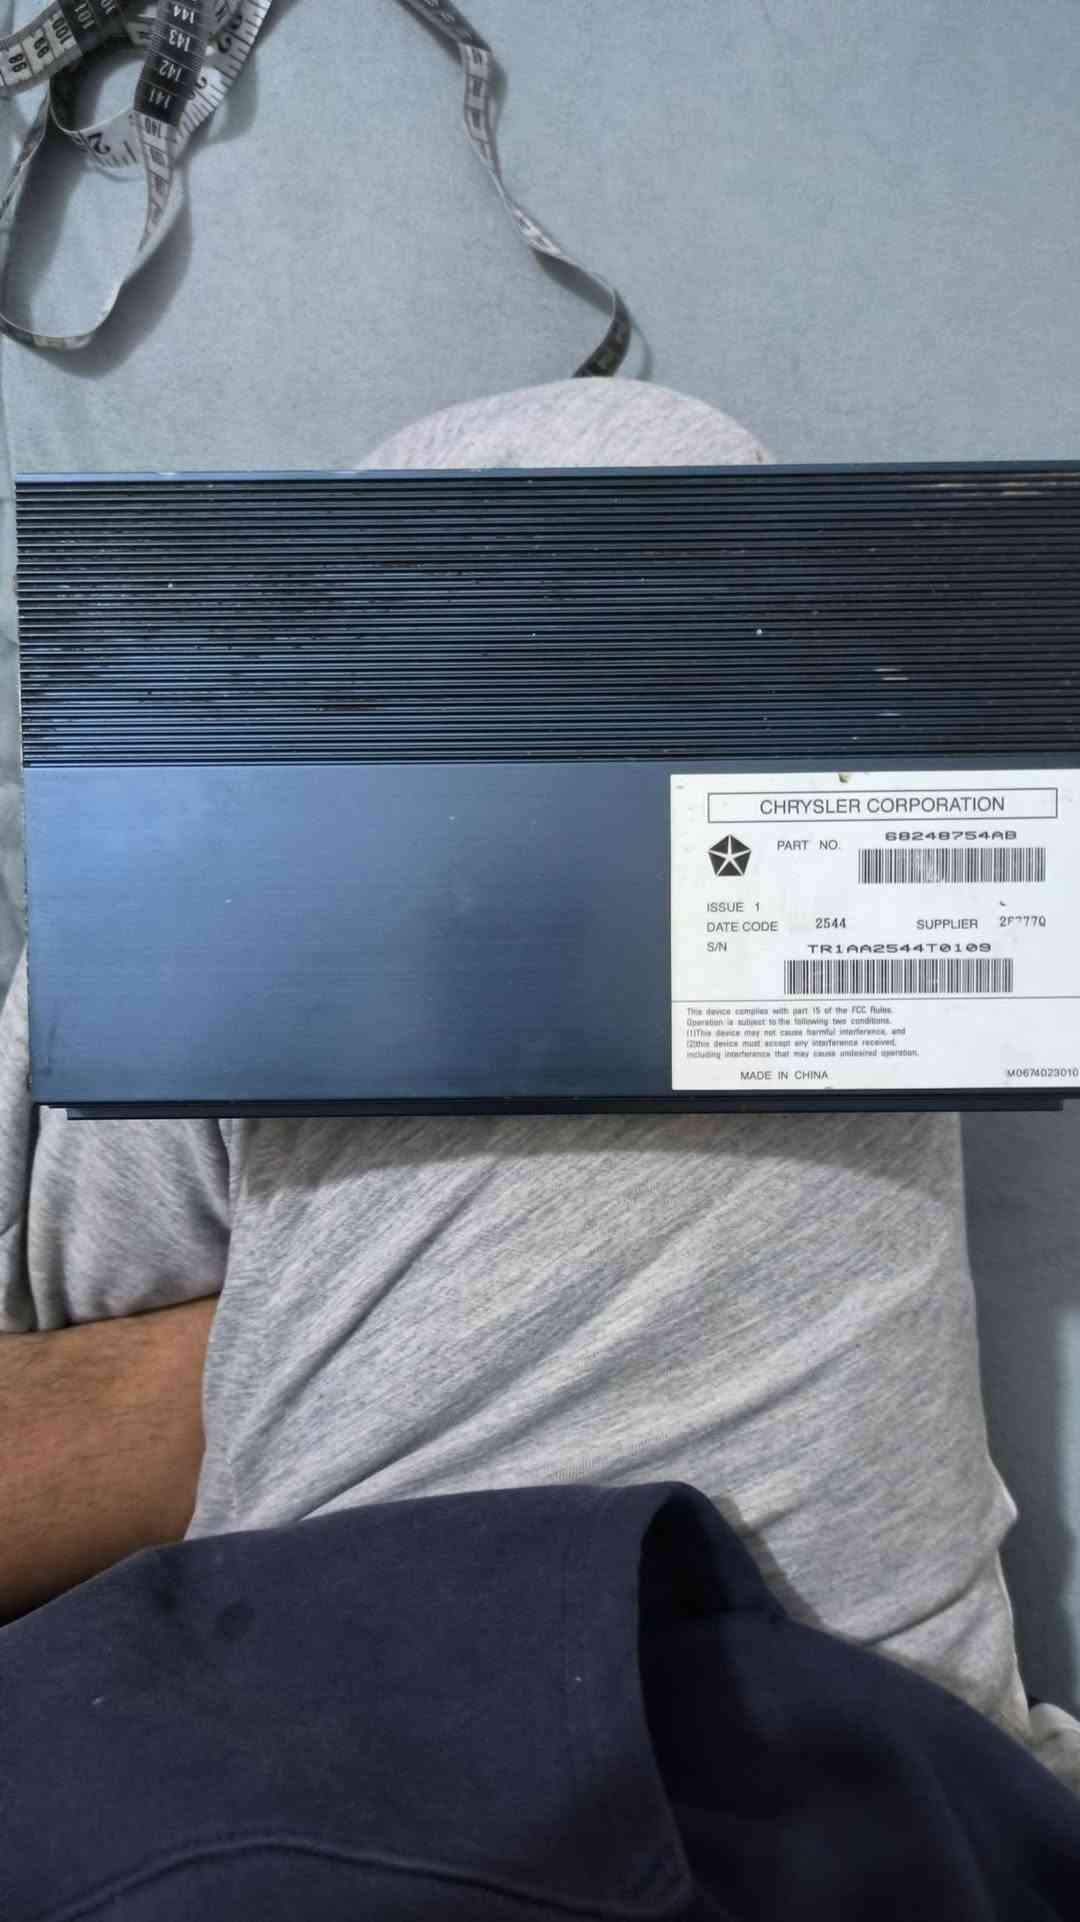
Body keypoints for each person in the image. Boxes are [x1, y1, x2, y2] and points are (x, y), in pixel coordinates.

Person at [2, 378, 1078, 1813]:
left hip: (280, 1797)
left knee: (548, 529)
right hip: (894, 1826)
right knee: (629, 489)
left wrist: (301, 1343)